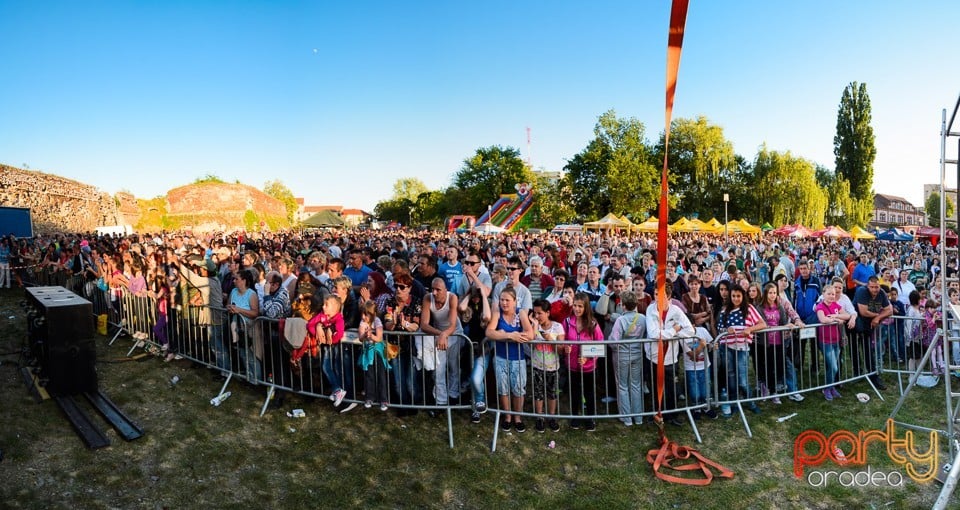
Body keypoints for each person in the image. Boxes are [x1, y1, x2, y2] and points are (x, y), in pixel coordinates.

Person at [645, 282, 695, 427]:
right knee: (655, 386)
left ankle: (672, 415)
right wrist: (674, 330)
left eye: (660, 296)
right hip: (654, 355)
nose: (656, 299)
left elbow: (690, 330)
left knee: (671, 386)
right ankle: (657, 413)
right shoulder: (650, 310)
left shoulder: (676, 311)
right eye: (655, 295)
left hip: (671, 356)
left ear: (669, 297)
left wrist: (669, 334)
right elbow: (653, 334)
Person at [485, 286, 534, 432]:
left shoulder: (522, 313)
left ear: (514, 301)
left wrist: (501, 334)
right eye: (501, 300)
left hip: (518, 358)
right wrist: (510, 335)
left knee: (518, 389)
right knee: (503, 388)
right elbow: (489, 332)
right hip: (500, 358)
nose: (504, 303)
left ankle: (517, 417)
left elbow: (530, 334)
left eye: (507, 300)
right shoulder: (497, 313)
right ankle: (507, 417)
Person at [717, 283, 766, 416]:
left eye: (738, 296)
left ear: (742, 296)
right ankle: (734, 403)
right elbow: (719, 328)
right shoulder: (724, 310)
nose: (736, 299)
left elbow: (762, 324)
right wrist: (727, 330)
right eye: (733, 296)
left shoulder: (749, 308)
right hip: (727, 347)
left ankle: (750, 402)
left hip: (742, 348)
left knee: (743, 379)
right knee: (731, 377)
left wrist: (750, 329)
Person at [562, 292, 603, 432]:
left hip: (589, 368)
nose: (577, 309)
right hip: (571, 366)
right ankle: (575, 417)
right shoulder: (567, 322)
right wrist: (565, 348)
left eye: (580, 306)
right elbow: (562, 342)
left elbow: (601, 345)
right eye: (575, 305)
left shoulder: (593, 324)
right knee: (574, 393)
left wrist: (588, 357)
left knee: (589, 393)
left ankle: (590, 418)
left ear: (586, 307)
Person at [420, 277, 464, 407]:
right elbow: (424, 324)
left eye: (438, 290)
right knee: (438, 369)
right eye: (433, 289)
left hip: (455, 333)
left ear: (445, 290)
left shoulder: (452, 298)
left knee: (453, 366)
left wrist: (445, 334)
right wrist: (441, 335)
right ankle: (441, 401)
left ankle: (453, 395)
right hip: (438, 334)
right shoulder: (428, 298)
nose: (434, 293)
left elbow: (452, 324)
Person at [607, 291, 646, 426]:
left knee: (622, 385)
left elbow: (613, 340)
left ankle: (626, 417)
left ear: (623, 305)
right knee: (636, 384)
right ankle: (638, 417)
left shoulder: (620, 320)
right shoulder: (642, 318)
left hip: (622, 355)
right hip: (637, 354)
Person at [853, 276, 892, 390]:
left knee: (868, 349)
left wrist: (877, 317)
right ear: (867, 286)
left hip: (870, 323)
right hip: (855, 322)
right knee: (854, 348)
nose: (875, 290)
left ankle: (873, 375)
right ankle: (857, 373)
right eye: (872, 287)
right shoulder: (862, 291)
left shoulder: (882, 293)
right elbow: (863, 312)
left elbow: (890, 310)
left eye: (877, 287)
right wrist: (879, 316)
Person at [530, 299, 563, 433]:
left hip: (553, 366)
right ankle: (539, 417)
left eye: (540, 313)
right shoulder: (535, 326)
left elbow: (561, 349)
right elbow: (530, 343)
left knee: (552, 393)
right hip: (537, 365)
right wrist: (533, 325)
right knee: (538, 393)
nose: (537, 316)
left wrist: (550, 339)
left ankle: (552, 416)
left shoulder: (557, 327)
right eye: (535, 313)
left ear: (548, 313)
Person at [815, 285, 850, 400]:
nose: (831, 296)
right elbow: (823, 319)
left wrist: (836, 315)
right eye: (829, 294)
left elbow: (847, 315)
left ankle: (831, 387)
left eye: (833, 294)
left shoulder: (836, 305)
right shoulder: (820, 306)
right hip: (826, 341)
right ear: (823, 294)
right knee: (834, 367)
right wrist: (836, 320)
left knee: (833, 365)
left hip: (836, 340)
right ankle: (827, 388)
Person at [227, 269, 262, 383]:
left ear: (244, 281)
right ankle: (249, 377)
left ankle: (256, 380)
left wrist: (239, 310)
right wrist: (230, 309)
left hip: (249, 328)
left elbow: (255, 313)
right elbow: (228, 304)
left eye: (236, 279)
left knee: (252, 354)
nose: (234, 281)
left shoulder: (251, 294)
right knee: (242, 353)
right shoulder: (233, 292)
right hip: (237, 328)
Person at [358, 300, 389, 410]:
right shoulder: (362, 323)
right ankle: (369, 397)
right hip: (368, 352)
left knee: (381, 374)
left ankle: (383, 399)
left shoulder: (377, 321)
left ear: (372, 314)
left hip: (378, 351)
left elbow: (379, 338)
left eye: (365, 314)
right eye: (362, 313)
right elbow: (360, 338)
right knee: (369, 374)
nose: (363, 316)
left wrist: (371, 336)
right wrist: (365, 335)